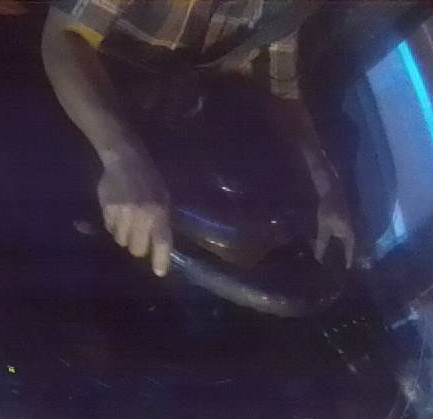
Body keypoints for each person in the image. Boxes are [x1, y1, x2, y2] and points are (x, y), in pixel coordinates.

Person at [40, 0, 356, 277]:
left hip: (163, 147)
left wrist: (326, 185)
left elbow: (280, 95)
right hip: (72, 123)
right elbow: (64, 37)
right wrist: (122, 157)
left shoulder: (283, 7)